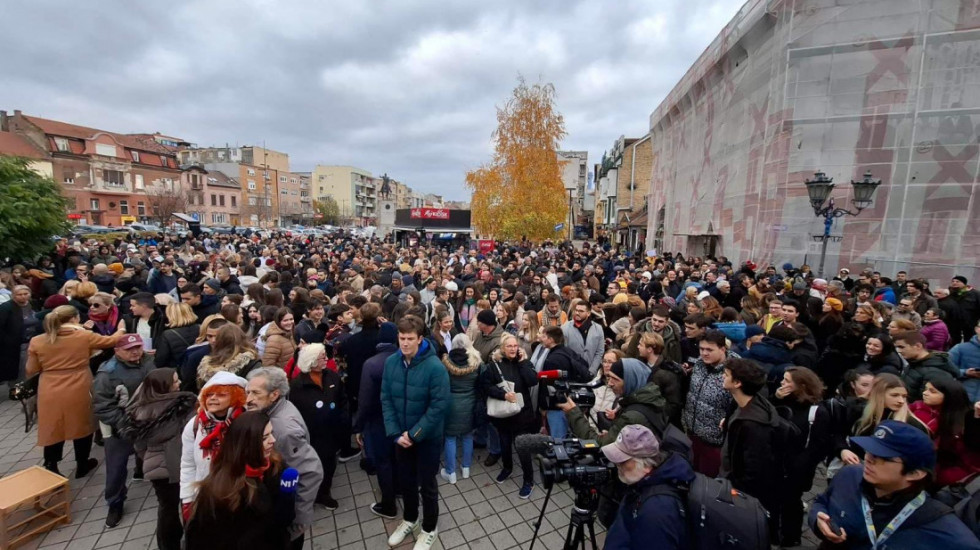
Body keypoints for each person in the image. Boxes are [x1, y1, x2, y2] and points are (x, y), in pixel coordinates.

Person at [809, 420, 980, 549]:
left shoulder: (948, 534)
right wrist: (818, 520)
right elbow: (822, 502)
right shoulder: (849, 476)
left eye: (883, 457)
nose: (868, 458)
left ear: (915, 473)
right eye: (870, 450)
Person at [27, 305, 122, 476]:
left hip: (49, 386)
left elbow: (31, 369)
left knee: (53, 426)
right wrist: (121, 330)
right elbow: (111, 341)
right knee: (82, 423)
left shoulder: (37, 341)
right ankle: (82, 463)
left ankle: (51, 464)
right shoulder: (83, 336)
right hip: (79, 383)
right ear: (74, 319)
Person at [382, 315, 450, 550]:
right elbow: (386, 399)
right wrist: (395, 433)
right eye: (401, 338)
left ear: (420, 339)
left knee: (427, 485)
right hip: (400, 437)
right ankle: (410, 519)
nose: (405, 343)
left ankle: (429, 528)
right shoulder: (391, 362)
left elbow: (439, 406)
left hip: (427, 439)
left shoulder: (435, 367)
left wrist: (414, 434)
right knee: (406, 481)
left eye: (410, 338)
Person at [184, 411, 296, 550]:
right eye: (264, 437)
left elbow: (283, 520)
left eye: (271, 433)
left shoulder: (275, 467)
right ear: (246, 443)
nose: (273, 440)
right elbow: (201, 539)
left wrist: (287, 496)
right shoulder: (219, 488)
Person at [246, 367, 324, 548]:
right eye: (247, 392)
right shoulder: (275, 409)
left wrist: (298, 523)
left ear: (274, 395)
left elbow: (310, 472)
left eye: (256, 393)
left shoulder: (282, 429)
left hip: (287, 526)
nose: (248, 399)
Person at [120, 368, 196, 550]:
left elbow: (140, 446)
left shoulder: (137, 410)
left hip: (156, 470)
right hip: (181, 464)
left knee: (166, 508)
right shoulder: (182, 405)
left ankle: (167, 545)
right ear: (165, 386)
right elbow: (191, 434)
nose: (179, 383)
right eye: (175, 381)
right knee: (188, 504)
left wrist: (150, 459)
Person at [92, 333, 156, 527]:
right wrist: (123, 424)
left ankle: (140, 471)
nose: (135, 351)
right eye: (129, 349)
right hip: (120, 426)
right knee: (117, 466)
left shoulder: (148, 360)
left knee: (146, 450)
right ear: (117, 351)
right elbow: (103, 406)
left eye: (138, 347)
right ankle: (115, 502)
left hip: (148, 419)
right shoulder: (107, 373)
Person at [601, 425, 695, 550]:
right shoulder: (645, 480)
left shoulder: (657, 511)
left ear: (645, 464)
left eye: (622, 461)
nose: (617, 464)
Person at [720, 358, 782, 537]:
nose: (722, 378)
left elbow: (754, 471)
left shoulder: (753, 425)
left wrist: (734, 489)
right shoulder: (745, 405)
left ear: (738, 383)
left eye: (726, 375)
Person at [772, 367, 833, 547]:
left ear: (801, 385)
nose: (782, 383)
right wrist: (775, 398)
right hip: (776, 459)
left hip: (796, 467)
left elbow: (819, 446)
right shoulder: (782, 400)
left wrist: (800, 466)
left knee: (791, 502)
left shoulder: (817, 412)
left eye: (787, 380)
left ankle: (791, 536)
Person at [288, 343, 346, 510]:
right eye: (322, 357)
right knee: (312, 468)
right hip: (311, 438)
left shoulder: (332, 377)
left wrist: (343, 420)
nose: (327, 359)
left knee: (329, 466)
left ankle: (324, 494)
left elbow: (343, 400)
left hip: (332, 434)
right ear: (312, 361)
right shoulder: (297, 386)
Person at [180, 371, 247, 512]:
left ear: (236, 397)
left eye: (221, 394)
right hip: (208, 496)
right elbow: (188, 464)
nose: (213, 399)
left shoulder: (247, 422)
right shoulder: (195, 425)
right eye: (209, 394)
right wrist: (187, 500)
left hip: (243, 495)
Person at [481, 332, 538, 498]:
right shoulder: (494, 365)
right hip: (503, 415)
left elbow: (532, 381)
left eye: (515, 346)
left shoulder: (524, 363)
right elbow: (486, 386)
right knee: (505, 443)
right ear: (502, 348)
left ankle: (529, 480)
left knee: (522, 448)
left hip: (522, 414)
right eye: (509, 346)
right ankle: (507, 468)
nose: (513, 349)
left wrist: (523, 363)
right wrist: (503, 395)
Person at [353, 321, 399, 519]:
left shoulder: (372, 364)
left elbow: (364, 400)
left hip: (377, 421)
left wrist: (358, 427)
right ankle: (401, 490)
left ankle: (388, 505)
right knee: (398, 458)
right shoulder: (403, 359)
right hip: (399, 418)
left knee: (383, 462)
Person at [837, 374, 930, 468]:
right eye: (894, 395)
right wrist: (843, 450)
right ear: (878, 394)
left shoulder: (912, 425)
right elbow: (838, 433)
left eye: (904, 396)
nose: (901, 401)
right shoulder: (858, 411)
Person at [682, 329, 737, 476]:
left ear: (722, 349)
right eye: (701, 349)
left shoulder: (735, 371)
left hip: (714, 442)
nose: (704, 353)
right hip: (692, 433)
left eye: (709, 350)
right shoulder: (699, 364)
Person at [909, 377, 980, 487]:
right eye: (926, 389)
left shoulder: (963, 422)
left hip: (951, 475)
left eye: (932, 391)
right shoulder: (918, 408)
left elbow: (969, 458)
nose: (925, 393)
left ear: (949, 396)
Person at [439, 333, 481, 485]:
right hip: (470, 403)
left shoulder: (446, 362)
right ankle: (466, 468)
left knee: (450, 438)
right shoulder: (475, 362)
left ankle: (451, 473)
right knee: (468, 436)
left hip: (451, 404)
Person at [636, 332, 685, 427]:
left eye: (640, 344)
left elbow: (673, 405)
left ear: (649, 349)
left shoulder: (668, 373)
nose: (638, 347)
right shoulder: (640, 365)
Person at [894, 331, 960, 401]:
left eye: (901, 347)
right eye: (897, 347)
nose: (898, 351)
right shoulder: (914, 363)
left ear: (918, 346)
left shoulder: (935, 372)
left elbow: (928, 401)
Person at [198, 325, 262, 388]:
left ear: (219, 341)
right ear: (242, 338)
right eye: (210, 336)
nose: (213, 340)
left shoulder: (205, 367)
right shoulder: (252, 363)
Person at [0, 285, 37, 383]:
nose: (23, 296)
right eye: (19, 294)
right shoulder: (6, 307)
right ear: (13, 296)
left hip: (32, 341)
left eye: (26, 294)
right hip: (14, 344)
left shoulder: (33, 304)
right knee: (18, 370)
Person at [561, 301, 605, 375]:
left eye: (581, 311)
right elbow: (563, 352)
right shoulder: (565, 328)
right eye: (576, 310)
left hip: (591, 372)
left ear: (588, 313)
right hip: (572, 373)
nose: (577, 313)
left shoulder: (598, 328)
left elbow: (599, 352)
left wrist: (592, 370)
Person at [155, 302, 200, 369]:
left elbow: (160, 360)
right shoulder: (202, 328)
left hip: (180, 370)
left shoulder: (167, 334)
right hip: (200, 367)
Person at [951, 319, 980, 402]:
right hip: (962, 399)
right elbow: (945, 369)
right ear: (976, 329)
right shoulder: (960, 348)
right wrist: (965, 372)